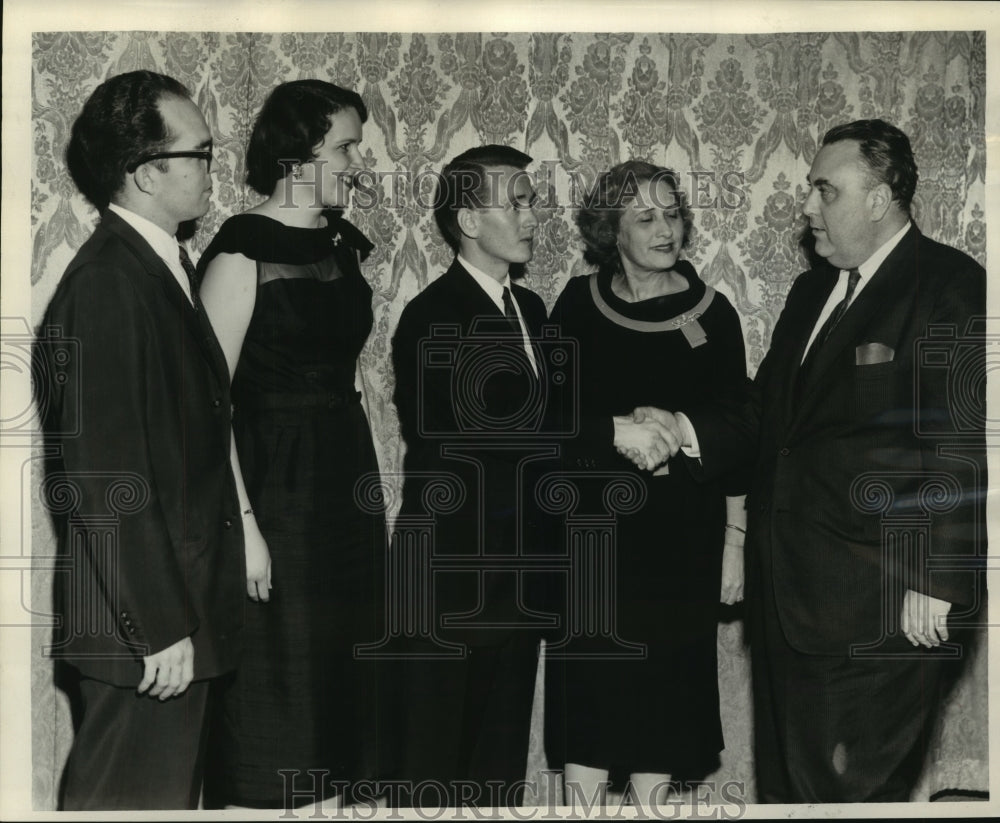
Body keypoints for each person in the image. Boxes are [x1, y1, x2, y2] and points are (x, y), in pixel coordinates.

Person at [663, 119, 986, 802]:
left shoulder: (949, 285)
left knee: (848, 799)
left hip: (881, 609)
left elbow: (958, 441)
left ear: (882, 196)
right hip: (791, 603)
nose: (807, 207)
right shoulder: (815, 291)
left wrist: (940, 579)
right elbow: (767, 417)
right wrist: (680, 426)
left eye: (823, 190)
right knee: (789, 795)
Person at [36, 70, 243, 810]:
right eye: (202, 152)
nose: (213, 166)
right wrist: (157, 628)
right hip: (146, 639)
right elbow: (105, 475)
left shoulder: (161, 264)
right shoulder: (106, 285)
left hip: (171, 622)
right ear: (147, 173)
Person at [197, 79, 390, 809]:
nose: (356, 162)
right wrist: (243, 526)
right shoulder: (241, 252)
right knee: (280, 690)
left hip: (344, 486)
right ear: (295, 153)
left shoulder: (337, 245)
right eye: (344, 146)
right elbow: (208, 407)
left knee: (342, 687)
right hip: (275, 491)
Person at [543, 161, 748, 807]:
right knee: (591, 713)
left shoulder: (713, 316)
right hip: (593, 544)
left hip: (680, 546)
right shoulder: (576, 304)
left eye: (673, 213)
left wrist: (735, 544)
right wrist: (612, 430)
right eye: (646, 217)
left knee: (662, 711)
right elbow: (546, 418)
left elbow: (742, 433)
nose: (666, 228)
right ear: (611, 231)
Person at [390, 145, 555, 808]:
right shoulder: (434, 316)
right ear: (467, 218)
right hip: (450, 576)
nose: (529, 216)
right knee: (432, 765)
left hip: (516, 578)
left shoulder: (534, 311)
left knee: (497, 767)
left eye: (530, 200)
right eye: (512, 201)